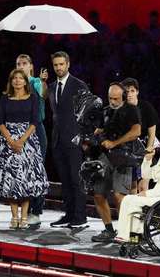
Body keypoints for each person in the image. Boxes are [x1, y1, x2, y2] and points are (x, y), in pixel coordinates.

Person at [0, 68, 49, 229]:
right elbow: (0, 121)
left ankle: (24, 217)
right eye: (14, 78)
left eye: (20, 78)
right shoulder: (5, 98)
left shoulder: (33, 97)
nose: (17, 81)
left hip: (27, 141)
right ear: (11, 81)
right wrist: (11, 140)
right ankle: (14, 217)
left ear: (25, 81)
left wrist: (21, 140)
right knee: (12, 179)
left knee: (26, 180)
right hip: (7, 140)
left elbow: (35, 121)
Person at [90, 82, 142, 243]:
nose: (112, 101)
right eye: (110, 98)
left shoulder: (131, 110)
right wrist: (96, 137)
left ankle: (128, 231)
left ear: (124, 97)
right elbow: (98, 131)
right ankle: (108, 230)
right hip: (105, 157)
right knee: (98, 194)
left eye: (116, 98)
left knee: (120, 197)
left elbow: (136, 132)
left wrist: (115, 142)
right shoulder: (105, 111)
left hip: (124, 156)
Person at [47, 51, 90, 230]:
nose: (58, 68)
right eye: (55, 65)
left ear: (68, 64)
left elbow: (89, 113)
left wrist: (85, 139)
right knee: (65, 179)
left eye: (61, 64)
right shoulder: (51, 87)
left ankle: (80, 216)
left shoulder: (79, 85)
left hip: (75, 140)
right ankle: (69, 214)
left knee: (76, 179)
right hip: (58, 140)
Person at [15, 54, 49, 228]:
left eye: (24, 63)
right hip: (18, 132)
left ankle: (36, 211)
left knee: (36, 171)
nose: (21, 66)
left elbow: (43, 94)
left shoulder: (36, 82)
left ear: (31, 67)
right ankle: (23, 212)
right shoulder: (14, 84)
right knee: (21, 171)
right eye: (18, 63)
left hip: (36, 130)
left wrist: (43, 82)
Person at [121, 77, 159, 193]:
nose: (129, 94)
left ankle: (144, 209)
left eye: (132, 91)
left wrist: (149, 150)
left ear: (137, 91)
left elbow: (152, 132)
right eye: (126, 91)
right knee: (132, 184)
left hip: (146, 145)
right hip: (130, 149)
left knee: (143, 184)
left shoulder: (146, 107)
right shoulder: (122, 109)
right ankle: (133, 210)